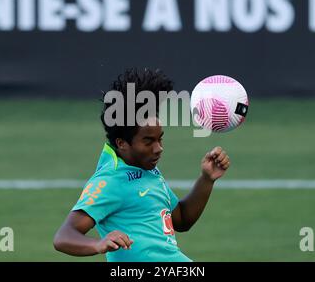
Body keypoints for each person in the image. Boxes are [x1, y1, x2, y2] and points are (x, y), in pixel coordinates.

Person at [53, 68, 230, 262]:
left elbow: (182, 220)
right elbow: (63, 237)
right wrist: (97, 244)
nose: (158, 148)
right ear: (122, 143)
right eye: (148, 141)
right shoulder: (110, 180)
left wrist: (206, 179)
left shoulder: (148, 171)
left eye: (160, 139)